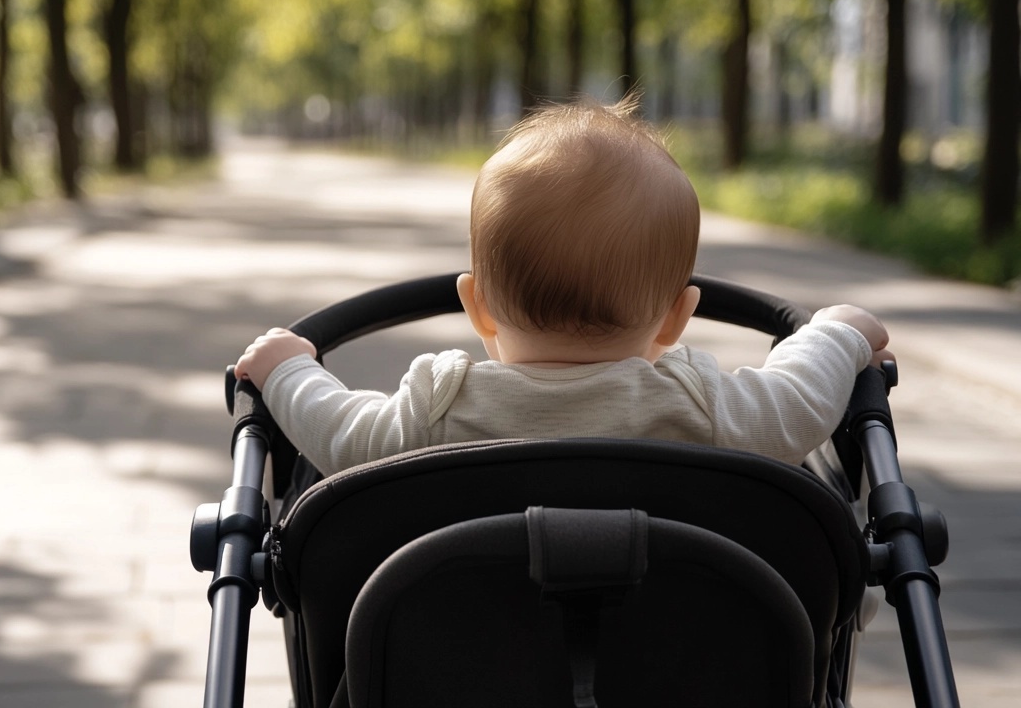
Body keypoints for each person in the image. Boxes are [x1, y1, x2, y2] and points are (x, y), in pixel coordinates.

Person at [234, 95, 893, 477]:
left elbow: (342, 434)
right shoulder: (703, 409)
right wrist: (836, 333)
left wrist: (289, 370)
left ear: (477, 306)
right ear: (677, 318)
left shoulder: (439, 409)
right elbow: (799, 399)